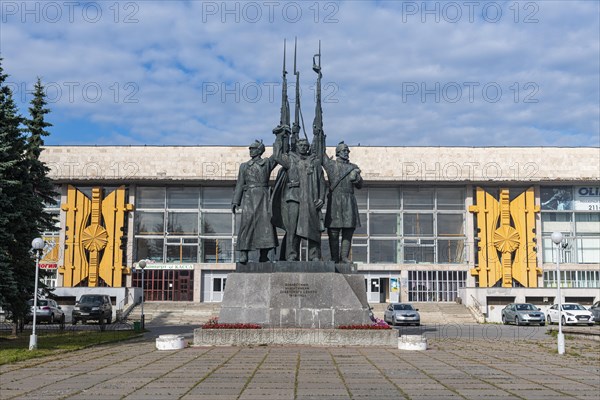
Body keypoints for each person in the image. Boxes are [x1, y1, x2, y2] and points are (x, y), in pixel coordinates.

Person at [272, 125, 326, 261]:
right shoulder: (290, 159)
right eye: (300, 144)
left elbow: (322, 182)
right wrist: (279, 137)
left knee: (312, 228)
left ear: (308, 147)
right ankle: (292, 255)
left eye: (305, 145)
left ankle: (314, 256)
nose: (303, 147)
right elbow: (277, 156)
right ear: (296, 146)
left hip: (310, 199)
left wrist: (321, 198)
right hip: (293, 198)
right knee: (293, 229)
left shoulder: (314, 162)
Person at [231, 140, 278, 263]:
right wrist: (236, 200)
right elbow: (240, 184)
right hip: (249, 198)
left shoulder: (267, 163)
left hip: (263, 197)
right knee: (247, 224)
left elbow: (277, 154)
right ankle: (243, 253)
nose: (250, 151)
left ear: (260, 150)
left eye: (253, 148)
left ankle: (264, 255)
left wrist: (280, 136)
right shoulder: (244, 166)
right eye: (250, 149)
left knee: (265, 226)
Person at [319, 139, 363, 263]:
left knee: (348, 231)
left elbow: (360, 185)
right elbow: (321, 154)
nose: (346, 152)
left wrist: (357, 178)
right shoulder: (331, 165)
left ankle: (344, 257)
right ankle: (334, 257)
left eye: (347, 150)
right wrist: (320, 135)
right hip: (335, 201)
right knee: (333, 231)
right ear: (338, 152)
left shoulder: (353, 167)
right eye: (344, 150)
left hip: (349, 200)